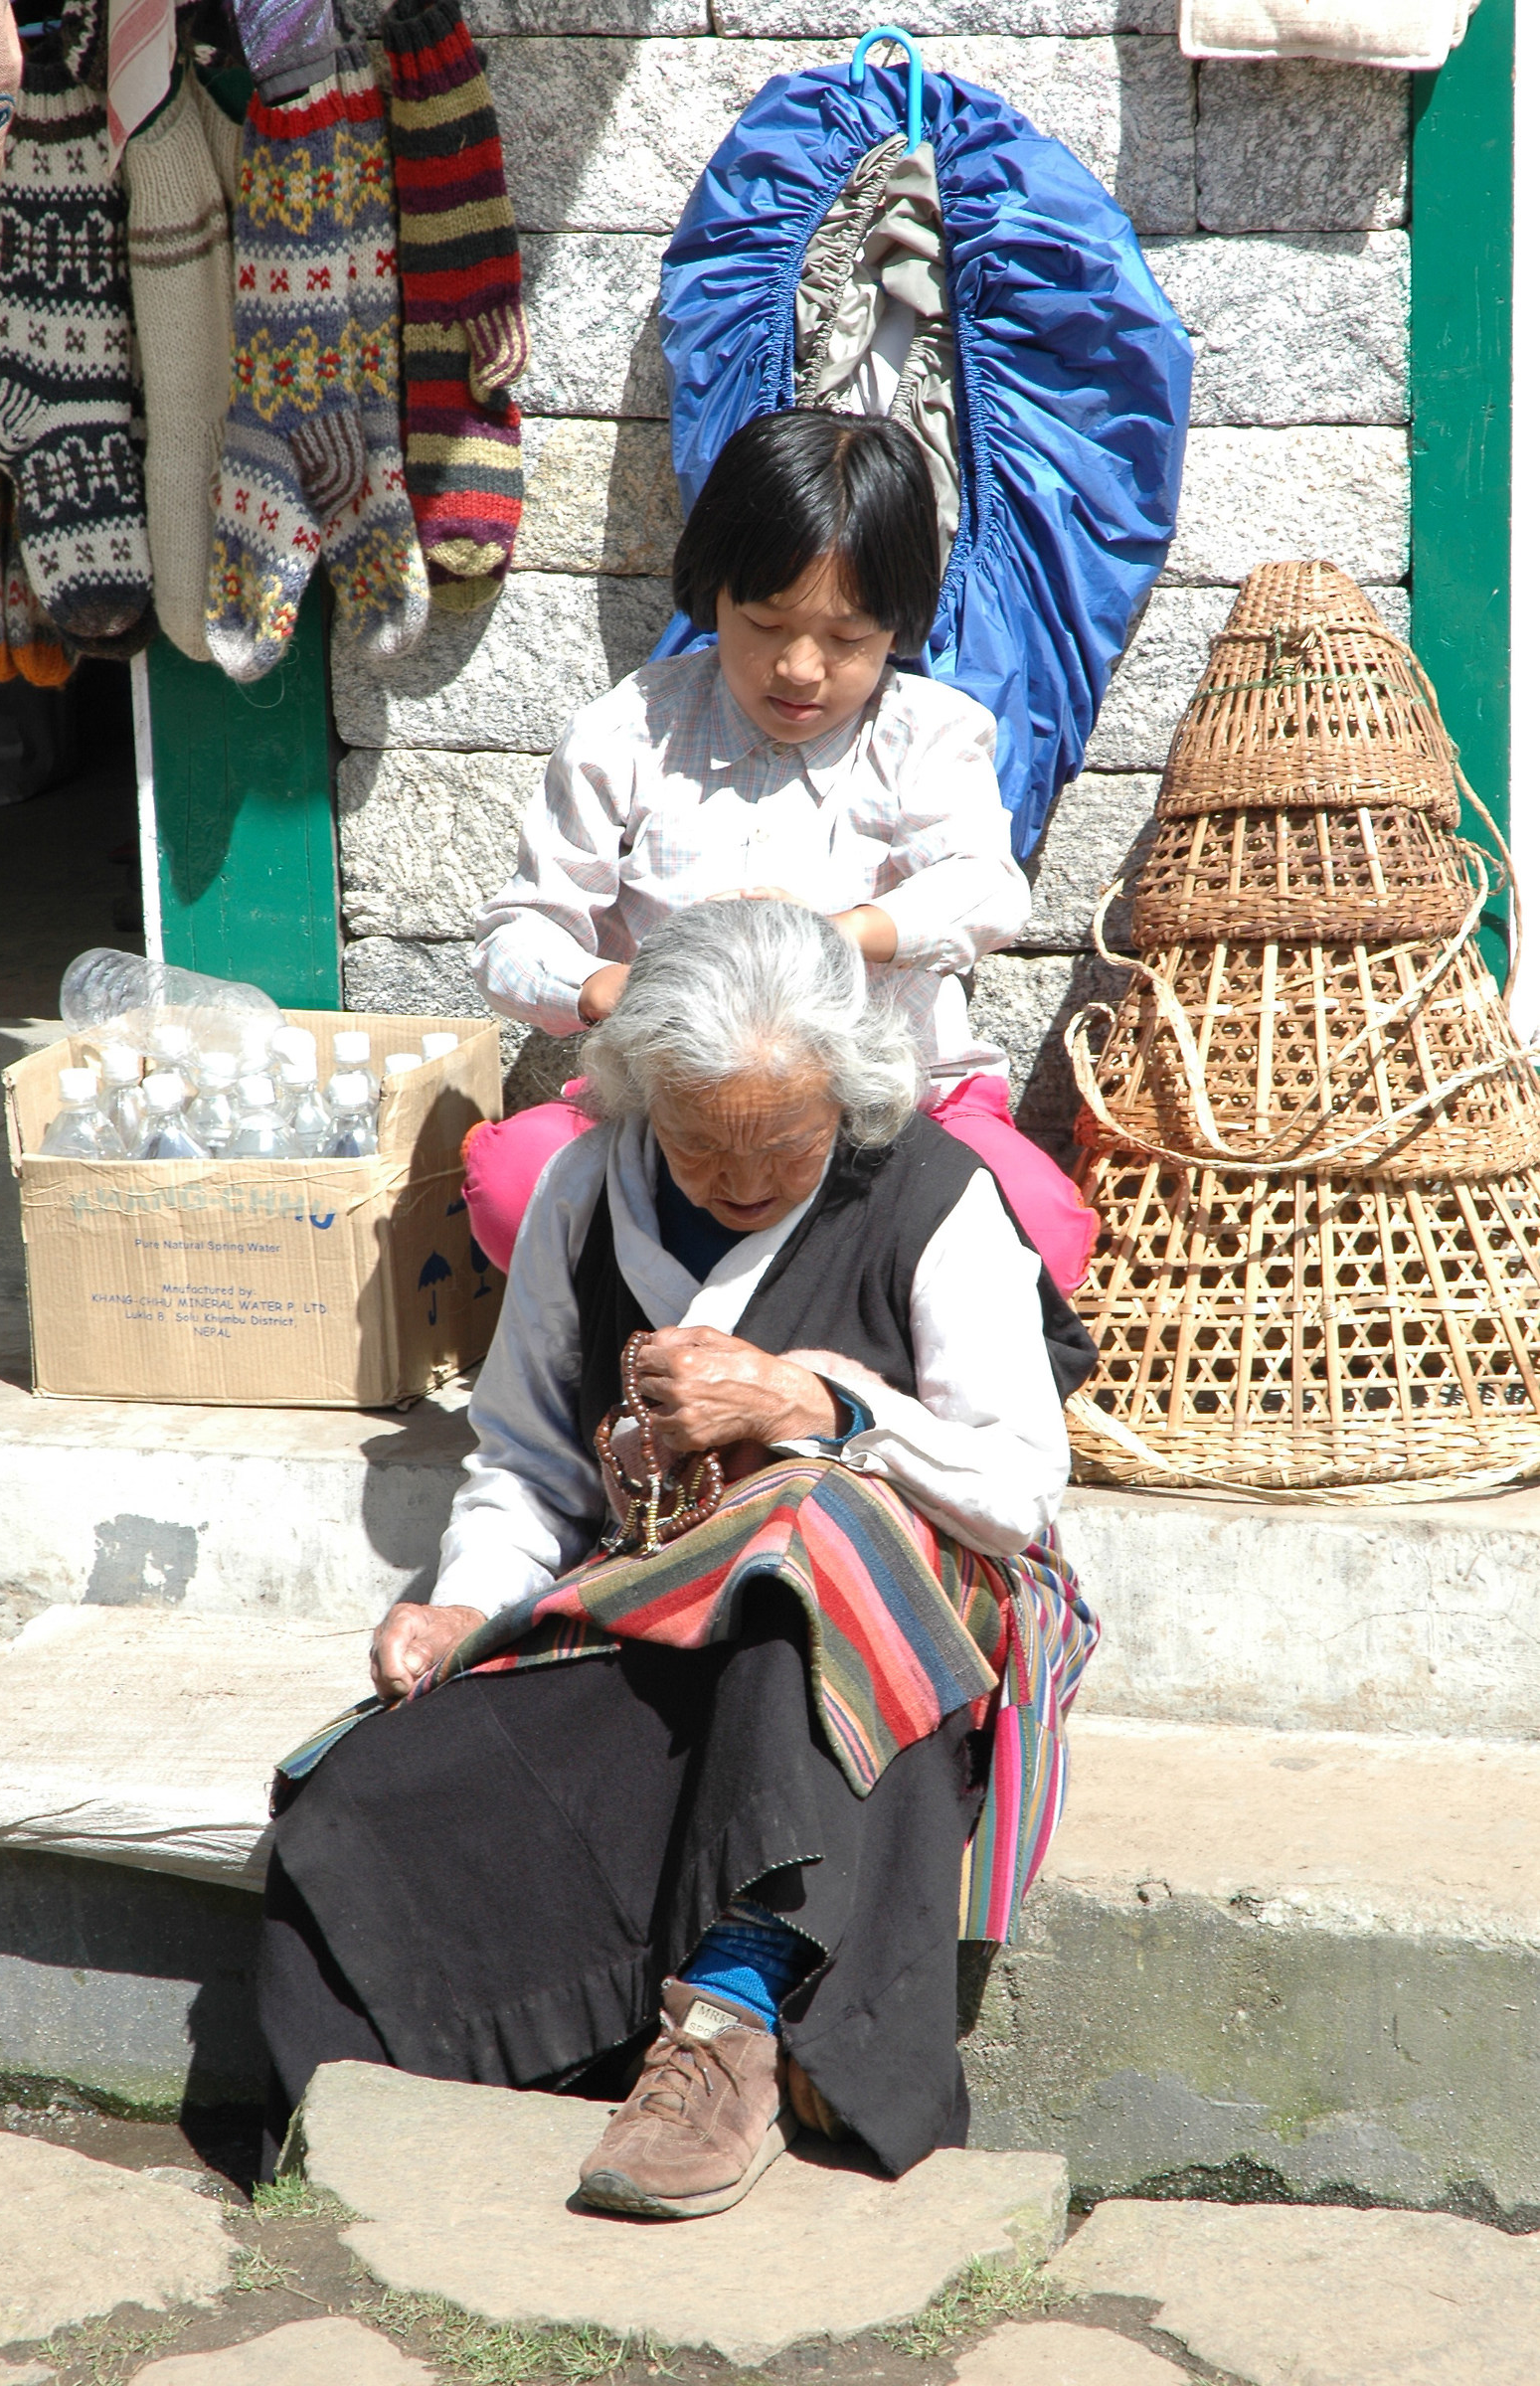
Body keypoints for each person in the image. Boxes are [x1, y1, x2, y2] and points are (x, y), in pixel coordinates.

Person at [260, 902, 1096, 2217]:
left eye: (781, 1144)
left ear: (847, 1097)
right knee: (350, 1804)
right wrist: (462, 1601)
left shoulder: (935, 1199)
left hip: (902, 1631)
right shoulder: (587, 1191)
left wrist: (817, 1412)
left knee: (796, 1524)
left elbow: (1013, 1491)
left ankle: (737, 2016)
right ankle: (487, 2075)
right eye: (698, 1144)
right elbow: (525, 1461)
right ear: (640, 1096)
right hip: (660, 1591)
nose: (739, 1179)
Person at [460, 410, 1099, 1293]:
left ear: (900, 624)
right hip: (678, 1116)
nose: (800, 668)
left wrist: (838, 936)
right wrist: (608, 987)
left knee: (1040, 1233)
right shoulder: (628, 731)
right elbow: (513, 939)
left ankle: (841, 1376)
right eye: (763, 623)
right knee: (511, 1187)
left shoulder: (930, 733)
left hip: (893, 1111)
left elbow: (986, 889)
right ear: (711, 592)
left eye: (847, 640)